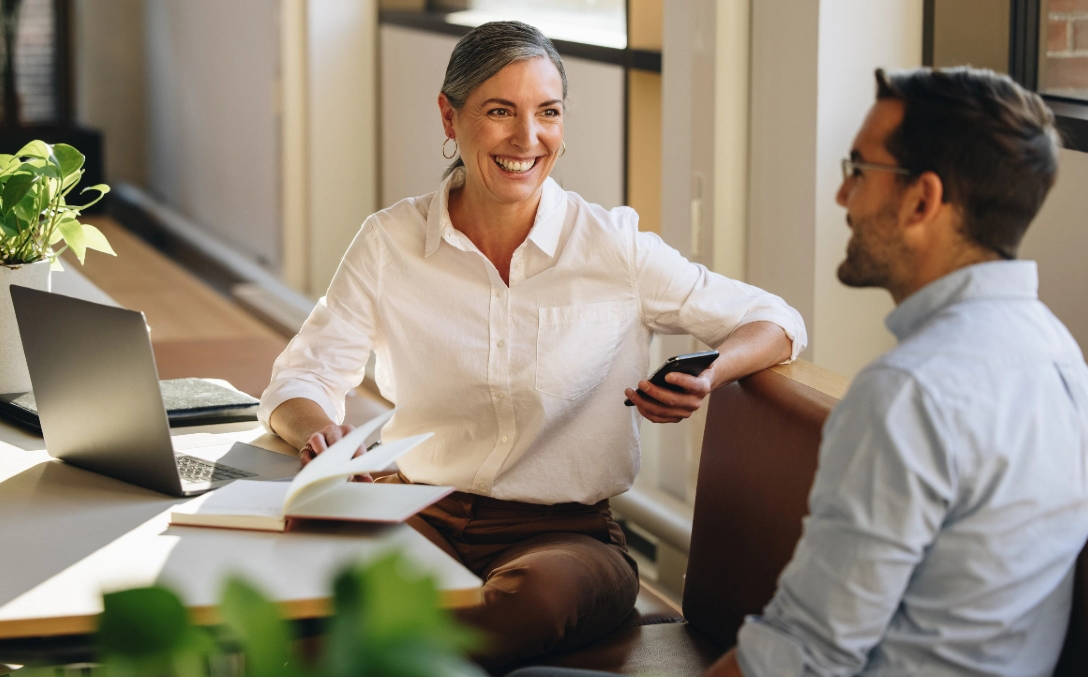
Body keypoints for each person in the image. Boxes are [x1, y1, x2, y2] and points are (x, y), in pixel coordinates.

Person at [259, 21, 805, 669]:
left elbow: (776, 320)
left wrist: (709, 374)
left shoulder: (613, 248)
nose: (527, 138)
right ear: (449, 115)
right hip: (416, 507)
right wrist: (317, 431)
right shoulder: (389, 242)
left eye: (548, 113)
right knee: (297, 574)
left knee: (532, 602)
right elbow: (301, 377)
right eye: (499, 112)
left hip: (565, 538)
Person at [702, 67, 1088, 677]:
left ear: (922, 200)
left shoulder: (909, 392)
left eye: (859, 171)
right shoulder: (1064, 363)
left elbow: (800, 659)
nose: (843, 196)